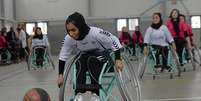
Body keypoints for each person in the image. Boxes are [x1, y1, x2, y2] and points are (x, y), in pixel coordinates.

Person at [57, 12, 123, 101]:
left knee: (91, 59)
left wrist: (118, 59)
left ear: (81, 27)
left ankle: (95, 94)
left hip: (105, 59)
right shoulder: (69, 38)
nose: (71, 34)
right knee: (79, 61)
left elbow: (113, 40)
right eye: (68, 31)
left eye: (73, 30)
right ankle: (78, 94)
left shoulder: (96, 33)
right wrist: (60, 75)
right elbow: (63, 56)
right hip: (87, 61)